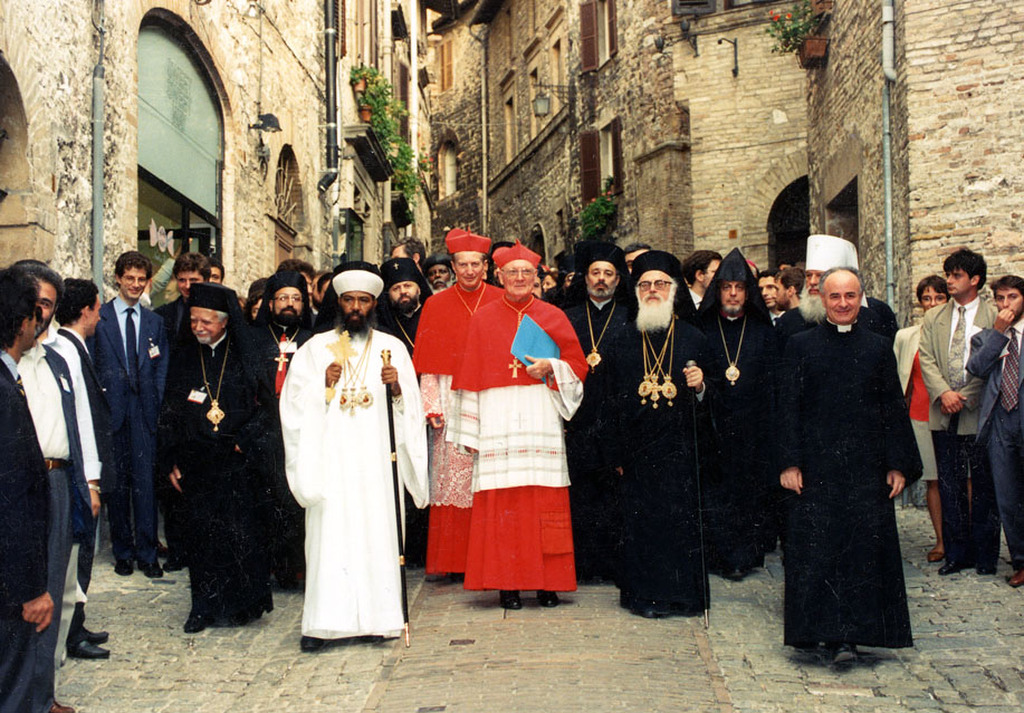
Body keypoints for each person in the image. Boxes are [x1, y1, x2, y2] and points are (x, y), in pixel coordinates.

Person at [280, 262, 428, 651]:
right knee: (331, 540)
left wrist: (397, 389)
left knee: (378, 535)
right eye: (349, 300)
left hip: (379, 463)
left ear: (374, 304)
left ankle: (380, 620)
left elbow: (411, 408)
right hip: (333, 462)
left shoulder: (391, 348)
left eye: (364, 301)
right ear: (339, 302)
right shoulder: (314, 349)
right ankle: (325, 626)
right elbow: (292, 407)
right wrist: (322, 387)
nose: (356, 308)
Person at [779, 268, 920, 664]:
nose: (843, 304)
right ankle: (819, 633)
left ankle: (852, 637)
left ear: (861, 298)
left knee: (861, 552)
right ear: (822, 299)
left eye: (850, 296)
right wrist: (789, 462)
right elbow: (787, 409)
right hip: (815, 468)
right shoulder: (800, 345)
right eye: (835, 296)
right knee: (818, 550)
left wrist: (897, 464)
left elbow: (892, 409)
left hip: (865, 468)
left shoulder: (877, 347)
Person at [448, 241, 588, 610]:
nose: (520, 278)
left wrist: (552, 368)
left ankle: (547, 584)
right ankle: (507, 584)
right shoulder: (482, 319)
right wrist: (471, 429)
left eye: (527, 272)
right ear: (500, 276)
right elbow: (468, 377)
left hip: (540, 415)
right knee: (503, 504)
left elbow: (577, 367)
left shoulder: (552, 315)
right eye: (513, 272)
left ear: (537, 276)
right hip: (498, 420)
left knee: (546, 501)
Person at [158, 283, 273, 633]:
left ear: (224, 322)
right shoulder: (184, 356)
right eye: (193, 320)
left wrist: (245, 440)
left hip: (236, 463)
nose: (198, 328)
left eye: (206, 321)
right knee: (201, 538)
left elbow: (267, 409)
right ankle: (202, 608)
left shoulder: (246, 354)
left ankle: (241, 605)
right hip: (198, 464)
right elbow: (169, 412)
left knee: (238, 536)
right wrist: (170, 461)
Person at [606, 250, 711, 619]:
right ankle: (644, 597)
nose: (653, 290)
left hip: (680, 451)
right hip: (636, 454)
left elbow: (715, 406)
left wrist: (700, 388)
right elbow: (609, 405)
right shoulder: (621, 340)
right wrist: (616, 454)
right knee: (641, 525)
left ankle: (681, 597)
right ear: (636, 291)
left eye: (660, 284)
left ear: (674, 290)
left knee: (678, 524)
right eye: (645, 284)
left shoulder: (695, 338)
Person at [16, 261, 95, 713]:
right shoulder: (9, 363)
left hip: (60, 482)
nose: (40, 312)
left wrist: (89, 482)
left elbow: (77, 424)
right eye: (34, 302)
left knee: (56, 587)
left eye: (47, 303)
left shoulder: (57, 360)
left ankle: (43, 694)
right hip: (24, 486)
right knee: (25, 594)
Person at [414, 229, 502, 579]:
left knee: (489, 476)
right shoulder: (435, 304)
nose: (469, 271)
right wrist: (432, 407)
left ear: (486, 266)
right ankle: (453, 563)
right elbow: (427, 367)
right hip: (450, 399)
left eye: (475, 264)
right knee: (452, 476)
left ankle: (489, 557)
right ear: (452, 266)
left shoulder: (500, 299)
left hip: (492, 397)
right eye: (462, 264)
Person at [696, 248, 779, 580]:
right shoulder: (702, 329)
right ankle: (719, 557)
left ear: (749, 292)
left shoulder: (763, 332)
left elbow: (772, 383)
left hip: (752, 427)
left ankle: (746, 556)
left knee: (749, 494)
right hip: (713, 426)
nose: (732, 293)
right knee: (717, 493)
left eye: (739, 287)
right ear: (718, 290)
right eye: (727, 286)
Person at [918, 248, 1000, 576]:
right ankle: (956, 553)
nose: (949, 281)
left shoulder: (994, 316)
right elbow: (927, 358)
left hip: (978, 411)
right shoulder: (934, 317)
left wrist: (964, 396)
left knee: (983, 485)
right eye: (948, 275)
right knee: (949, 484)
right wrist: (944, 393)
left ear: (975, 280)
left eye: (956, 276)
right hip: (943, 412)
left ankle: (985, 555)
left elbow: (994, 362)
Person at [92, 252, 170, 580]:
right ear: (118, 279)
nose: (136, 285)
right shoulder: (102, 318)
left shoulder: (155, 322)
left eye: (141, 279)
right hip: (114, 413)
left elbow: (162, 366)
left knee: (146, 487)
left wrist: (156, 404)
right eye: (130, 279)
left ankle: (148, 554)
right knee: (117, 486)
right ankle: (122, 552)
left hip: (144, 415)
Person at [0, 266, 55, 713]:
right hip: (8, 589)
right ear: (22, 322)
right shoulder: (4, 392)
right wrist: (33, 589)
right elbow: (13, 500)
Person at [562, 241, 633, 583]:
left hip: (617, 415)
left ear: (618, 280)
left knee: (615, 494)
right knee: (581, 494)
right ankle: (584, 566)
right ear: (585, 277)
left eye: (608, 274)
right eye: (596, 273)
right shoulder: (568, 317)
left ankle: (615, 565)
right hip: (578, 417)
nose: (601, 280)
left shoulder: (631, 316)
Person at [53, 279, 113, 660]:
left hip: (86, 470)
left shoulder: (75, 348)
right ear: (87, 309)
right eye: (98, 306)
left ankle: (79, 620)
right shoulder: (67, 351)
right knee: (79, 556)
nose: (100, 314)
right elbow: (79, 420)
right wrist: (91, 478)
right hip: (80, 473)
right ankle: (72, 634)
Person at [251, 271, 314, 590]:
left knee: (298, 500)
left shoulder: (312, 340)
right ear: (270, 303)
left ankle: (300, 567)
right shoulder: (254, 337)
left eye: (296, 298)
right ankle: (272, 567)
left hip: (303, 431)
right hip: (265, 431)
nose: (289, 304)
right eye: (282, 298)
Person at [968, 275, 1024, 588]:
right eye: (1000, 299)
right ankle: (1020, 561)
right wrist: (999, 334)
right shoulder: (987, 336)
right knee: (1008, 497)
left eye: (1012, 298)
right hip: (1001, 422)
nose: (1006, 305)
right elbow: (975, 368)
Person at [893, 275, 949, 563]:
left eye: (939, 297)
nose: (933, 303)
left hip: (951, 412)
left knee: (962, 478)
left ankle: (963, 537)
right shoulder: (907, 336)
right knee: (934, 480)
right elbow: (901, 376)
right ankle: (940, 540)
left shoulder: (955, 332)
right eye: (927, 298)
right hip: (920, 412)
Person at [775, 235, 897, 348]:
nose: (812, 282)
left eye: (820, 275)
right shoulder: (788, 322)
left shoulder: (875, 315)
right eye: (808, 275)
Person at [154, 252, 210, 349]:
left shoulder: (218, 311)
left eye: (193, 280)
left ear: (206, 280)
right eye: (182, 280)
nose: (187, 286)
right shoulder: (163, 314)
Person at [377, 257, 432, 357]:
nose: (402, 291)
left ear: (419, 289)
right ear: (388, 295)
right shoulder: (386, 325)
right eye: (396, 288)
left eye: (407, 286)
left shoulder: (434, 316)